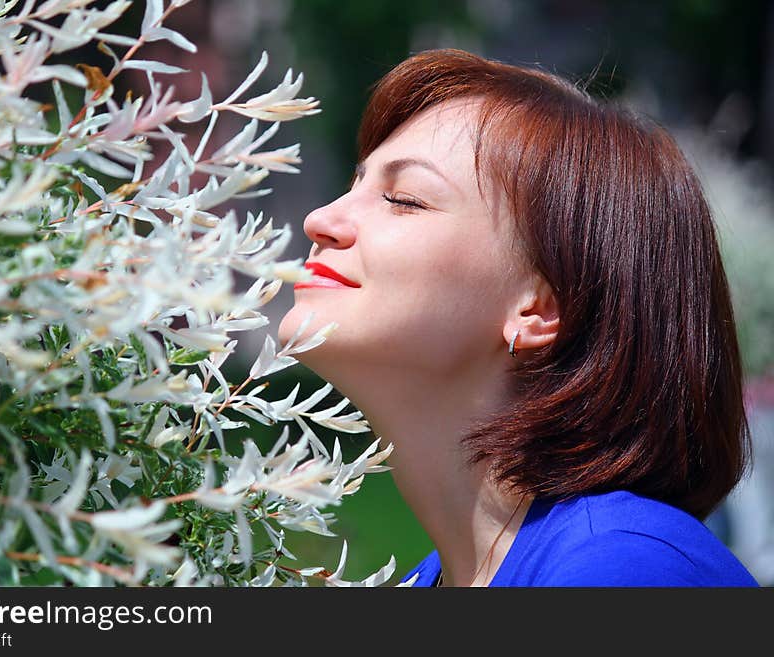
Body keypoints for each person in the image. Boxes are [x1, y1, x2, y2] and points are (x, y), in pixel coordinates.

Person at [277, 48, 759, 587]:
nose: (321, 220)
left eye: (404, 199)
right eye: (354, 184)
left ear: (538, 309)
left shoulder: (626, 571)